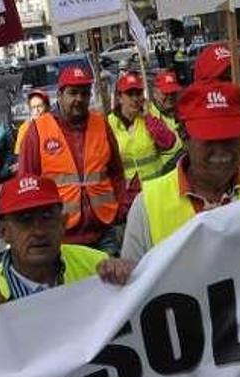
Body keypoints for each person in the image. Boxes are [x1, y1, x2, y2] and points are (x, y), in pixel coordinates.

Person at [121, 80, 240, 262]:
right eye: (209, 139)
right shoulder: (147, 206)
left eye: (230, 137)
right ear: (184, 138)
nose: (221, 150)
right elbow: (133, 282)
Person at [0, 175, 134, 313]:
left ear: (63, 223)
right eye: (25, 221)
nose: (39, 231)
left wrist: (131, 278)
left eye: (47, 218)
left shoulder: (99, 268)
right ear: (4, 232)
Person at [17, 65, 127, 256]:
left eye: (84, 93)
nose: (79, 99)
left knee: (112, 285)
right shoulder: (37, 130)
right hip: (63, 236)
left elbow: (116, 172)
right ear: (60, 95)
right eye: (73, 93)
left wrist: (119, 208)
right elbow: (27, 185)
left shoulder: (101, 123)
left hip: (104, 231)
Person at [108, 72, 178, 183]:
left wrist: (148, 117)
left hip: (156, 186)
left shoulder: (150, 116)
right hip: (128, 193)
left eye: (139, 93)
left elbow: (168, 142)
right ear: (120, 98)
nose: (135, 99)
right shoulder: (109, 123)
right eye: (130, 94)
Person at [149, 70, 185, 172]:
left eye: (173, 92)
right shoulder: (149, 117)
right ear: (155, 93)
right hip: (164, 175)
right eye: (165, 93)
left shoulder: (184, 111)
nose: (170, 97)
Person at [14, 90, 50, 155]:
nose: (36, 111)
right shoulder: (24, 128)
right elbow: (18, 153)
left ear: (47, 107)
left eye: (40, 106)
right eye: (33, 107)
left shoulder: (55, 125)